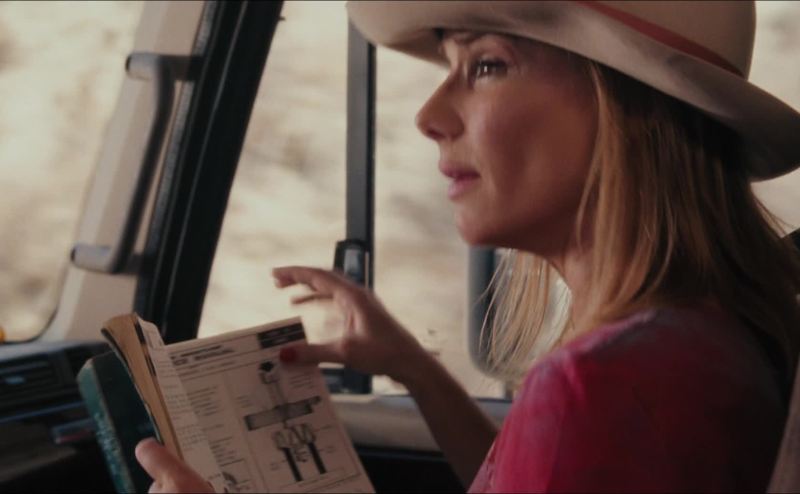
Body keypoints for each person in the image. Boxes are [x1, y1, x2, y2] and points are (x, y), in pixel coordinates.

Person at [135, 1, 800, 492]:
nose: (428, 117)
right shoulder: (703, 335)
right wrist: (414, 368)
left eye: (486, 65)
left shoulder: (608, 382)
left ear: (626, 108)